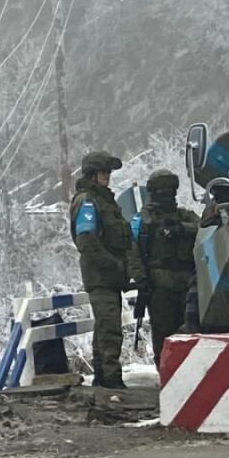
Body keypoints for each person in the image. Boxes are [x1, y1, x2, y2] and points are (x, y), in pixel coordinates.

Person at [69, 151, 130, 389]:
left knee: (105, 327)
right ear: (92, 174)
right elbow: (86, 239)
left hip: (110, 277)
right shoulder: (87, 200)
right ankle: (112, 380)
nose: (107, 176)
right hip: (101, 276)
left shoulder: (103, 200)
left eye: (109, 172)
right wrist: (112, 264)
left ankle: (103, 378)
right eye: (103, 172)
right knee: (110, 329)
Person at [128, 170, 200, 366]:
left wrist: (181, 229)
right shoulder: (143, 220)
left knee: (189, 335)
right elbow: (132, 252)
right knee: (163, 335)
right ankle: (166, 373)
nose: (167, 194)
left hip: (187, 287)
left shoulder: (185, 216)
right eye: (162, 190)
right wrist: (142, 281)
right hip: (159, 288)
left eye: (170, 190)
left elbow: (205, 229)